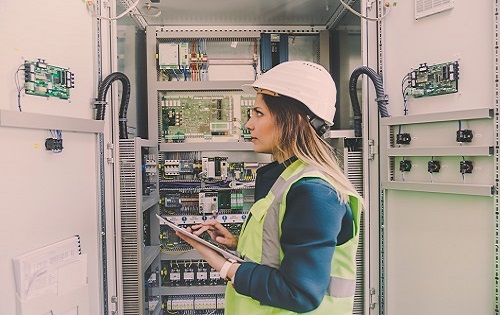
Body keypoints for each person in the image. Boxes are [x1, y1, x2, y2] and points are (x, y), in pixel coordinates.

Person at [176, 60, 363, 315]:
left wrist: (222, 264)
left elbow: (300, 293)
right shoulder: (289, 177)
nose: (248, 125)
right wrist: (236, 244)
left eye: (258, 113)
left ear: (292, 120)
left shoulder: (314, 192)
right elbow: (286, 253)